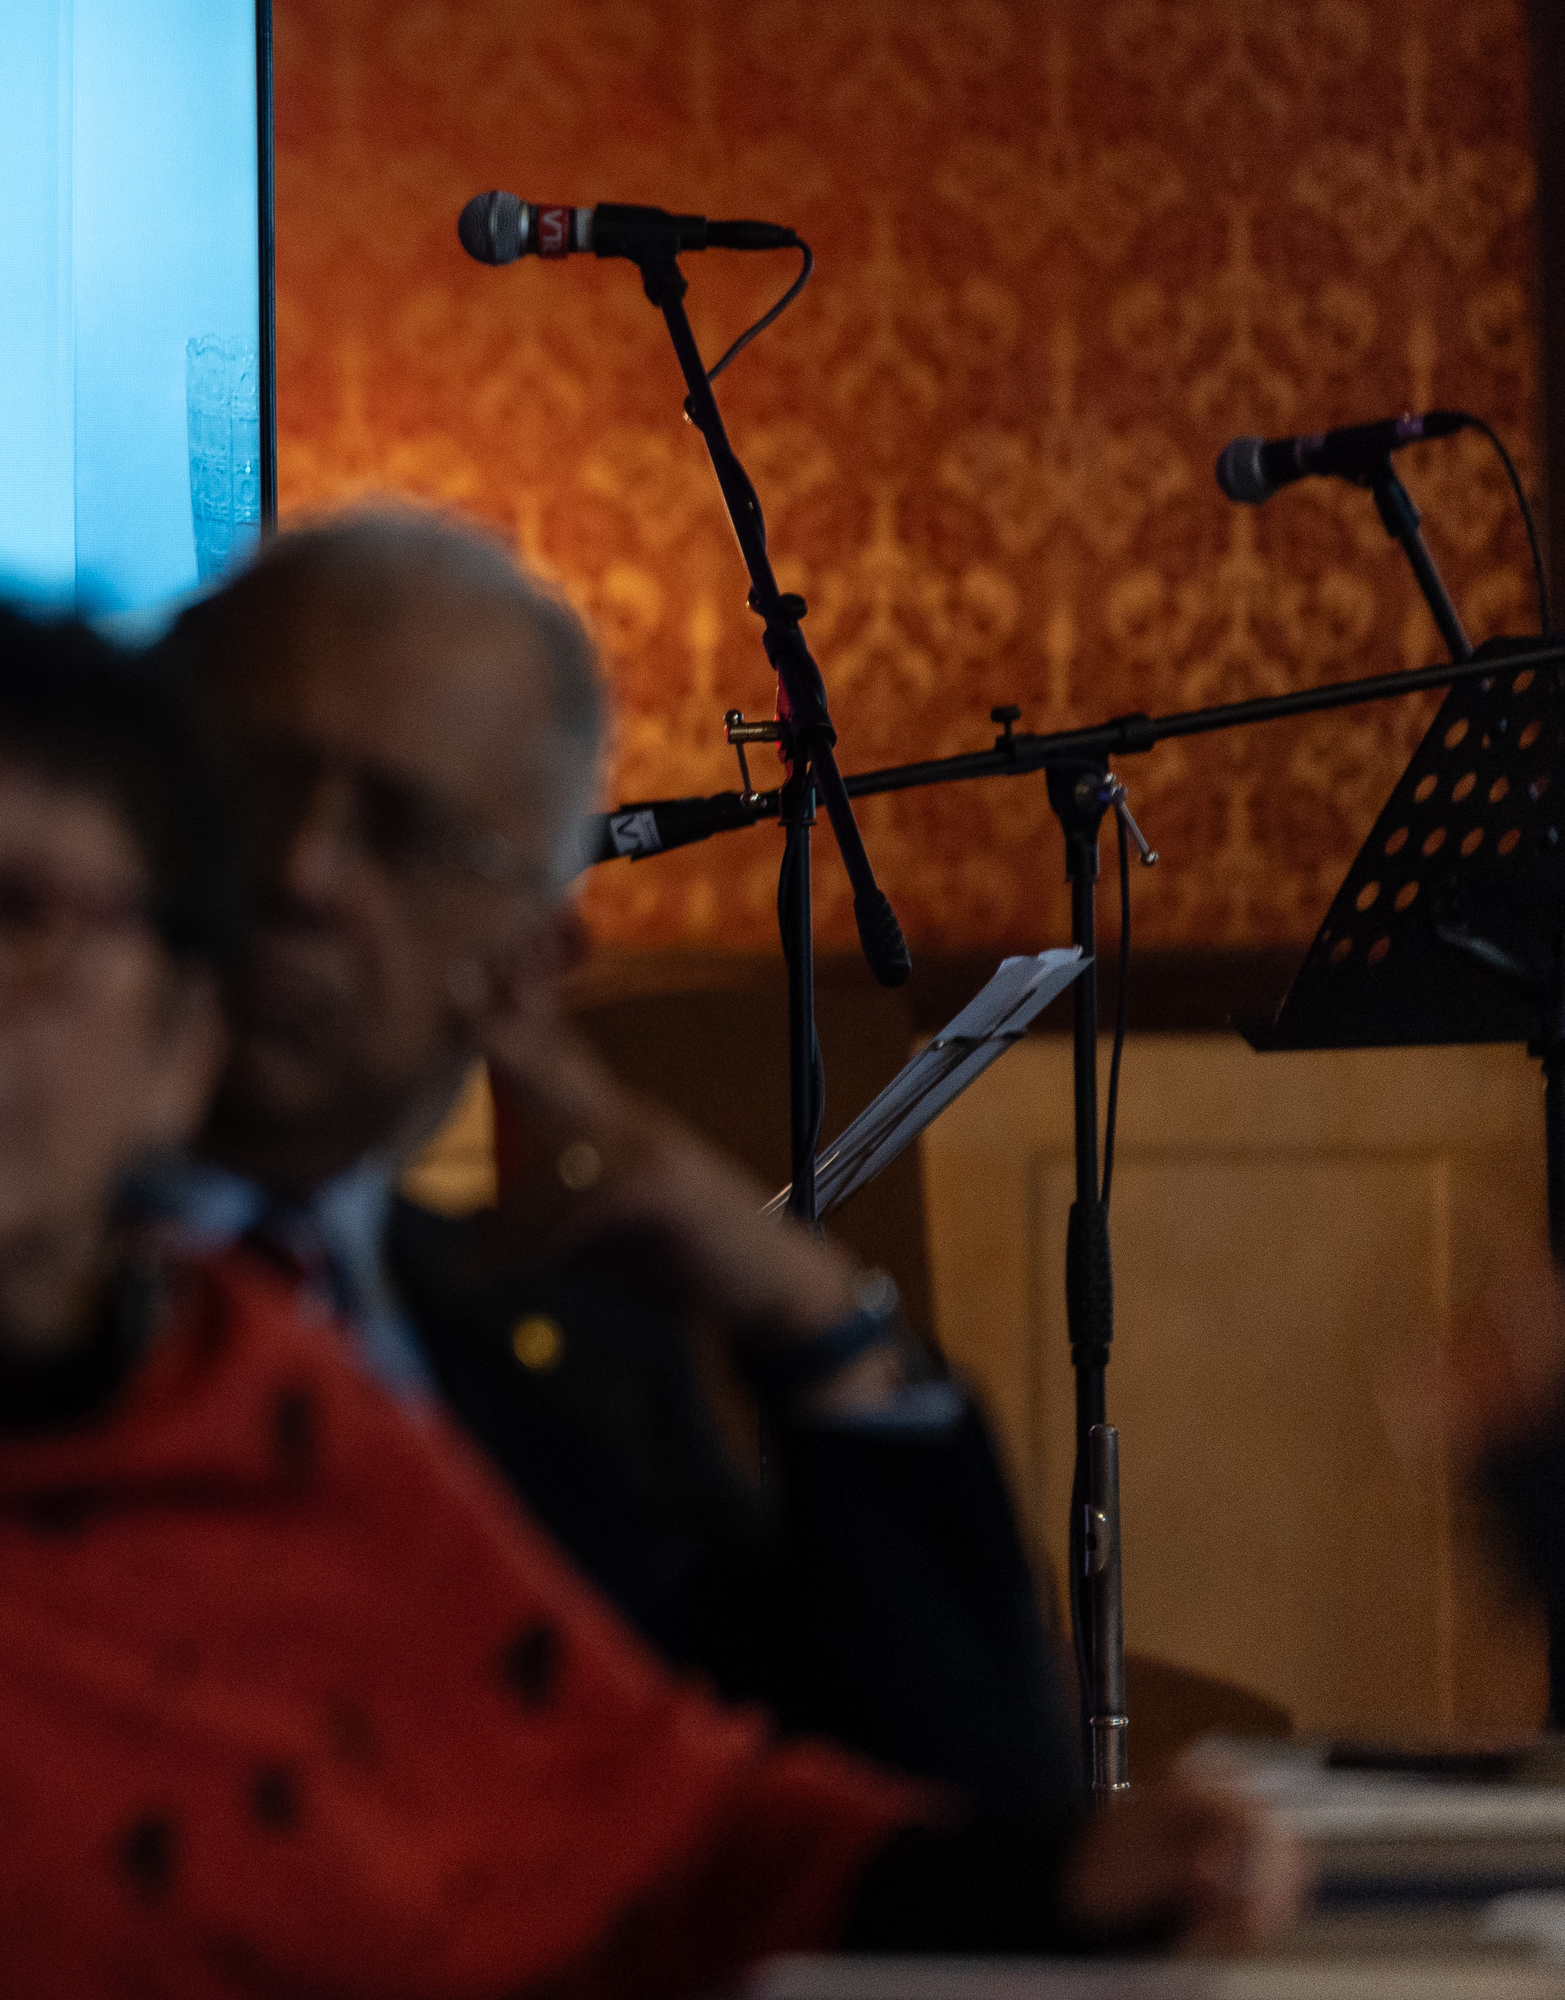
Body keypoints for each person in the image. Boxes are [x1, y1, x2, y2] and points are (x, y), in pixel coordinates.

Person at [0, 604, 1291, 2000]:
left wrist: (1056, 1879)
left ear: (181, 1032)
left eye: (25, 920)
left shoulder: (252, 1386)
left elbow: (668, 1820)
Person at [153, 509, 1077, 1809]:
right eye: (252, 784)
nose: (302, 871)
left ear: (530, 962)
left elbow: (954, 1832)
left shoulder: (568, 1363)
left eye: (403, 831)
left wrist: (812, 1317)